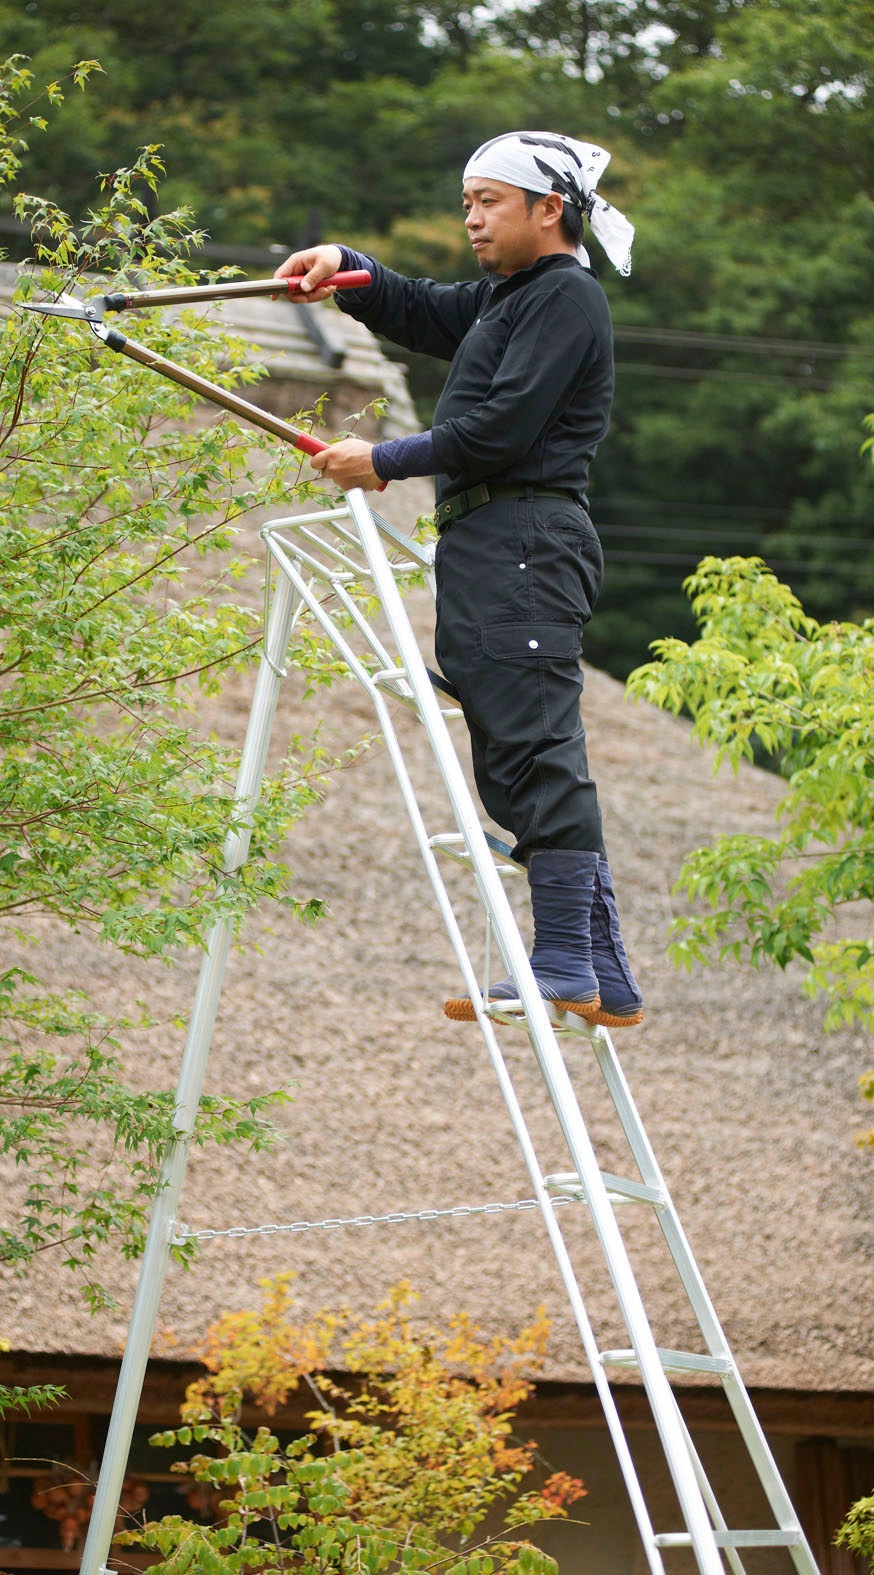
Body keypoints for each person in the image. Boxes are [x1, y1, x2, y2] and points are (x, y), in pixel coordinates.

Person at [275, 130, 643, 1029]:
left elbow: (504, 428)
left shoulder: (564, 298)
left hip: (525, 531)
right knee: (517, 739)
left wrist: (386, 458)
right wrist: (348, 268)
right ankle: (602, 971)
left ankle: (561, 959)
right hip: (494, 538)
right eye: (467, 202)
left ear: (547, 209)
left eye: (488, 202)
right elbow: (423, 309)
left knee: (534, 742)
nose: (471, 218)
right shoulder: (509, 300)